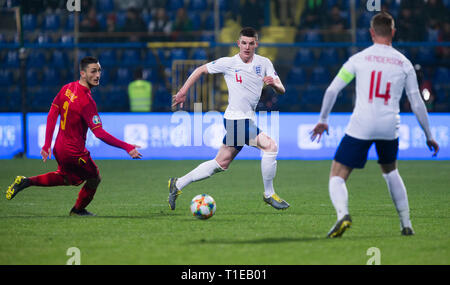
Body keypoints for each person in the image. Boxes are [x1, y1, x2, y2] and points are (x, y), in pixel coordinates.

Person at [310, 12, 440, 238]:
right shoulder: (404, 63)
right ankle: (406, 224)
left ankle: (343, 215)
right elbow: (417, 102)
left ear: (371, 32)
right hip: (390, 126)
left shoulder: (359, 59)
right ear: (393, 32)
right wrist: (429, 134)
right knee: (391, 172)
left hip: (362, 124)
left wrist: (323, 120)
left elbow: (332, 90)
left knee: (338, 174)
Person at [169, 27, 289, 211]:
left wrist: (274, 84)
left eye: (251, 43)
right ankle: (269, 193)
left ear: (256, 43)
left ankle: (177, 184)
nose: (247, 47)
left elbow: (282, 89)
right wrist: (183, 92)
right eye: (244, 43)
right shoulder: (228, 63)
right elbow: (200, 70)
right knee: (270, 146)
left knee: (220, 163)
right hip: (235, 120)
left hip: (246, 120)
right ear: (238, 43)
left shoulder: (264, 63)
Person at [5, 56, 142, 216]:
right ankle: (78, 210)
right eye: (93, 71)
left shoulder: (67, 88)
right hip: (74, 152)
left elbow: (52, 112)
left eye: (99, 71)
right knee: (94, 178)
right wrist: (127, 147)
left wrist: (47, 144)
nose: (97, 75)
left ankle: (27, 181)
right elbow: (99, 133)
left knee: (65, 178)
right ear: (83, 73)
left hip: (59, 148)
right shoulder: (87, 101)